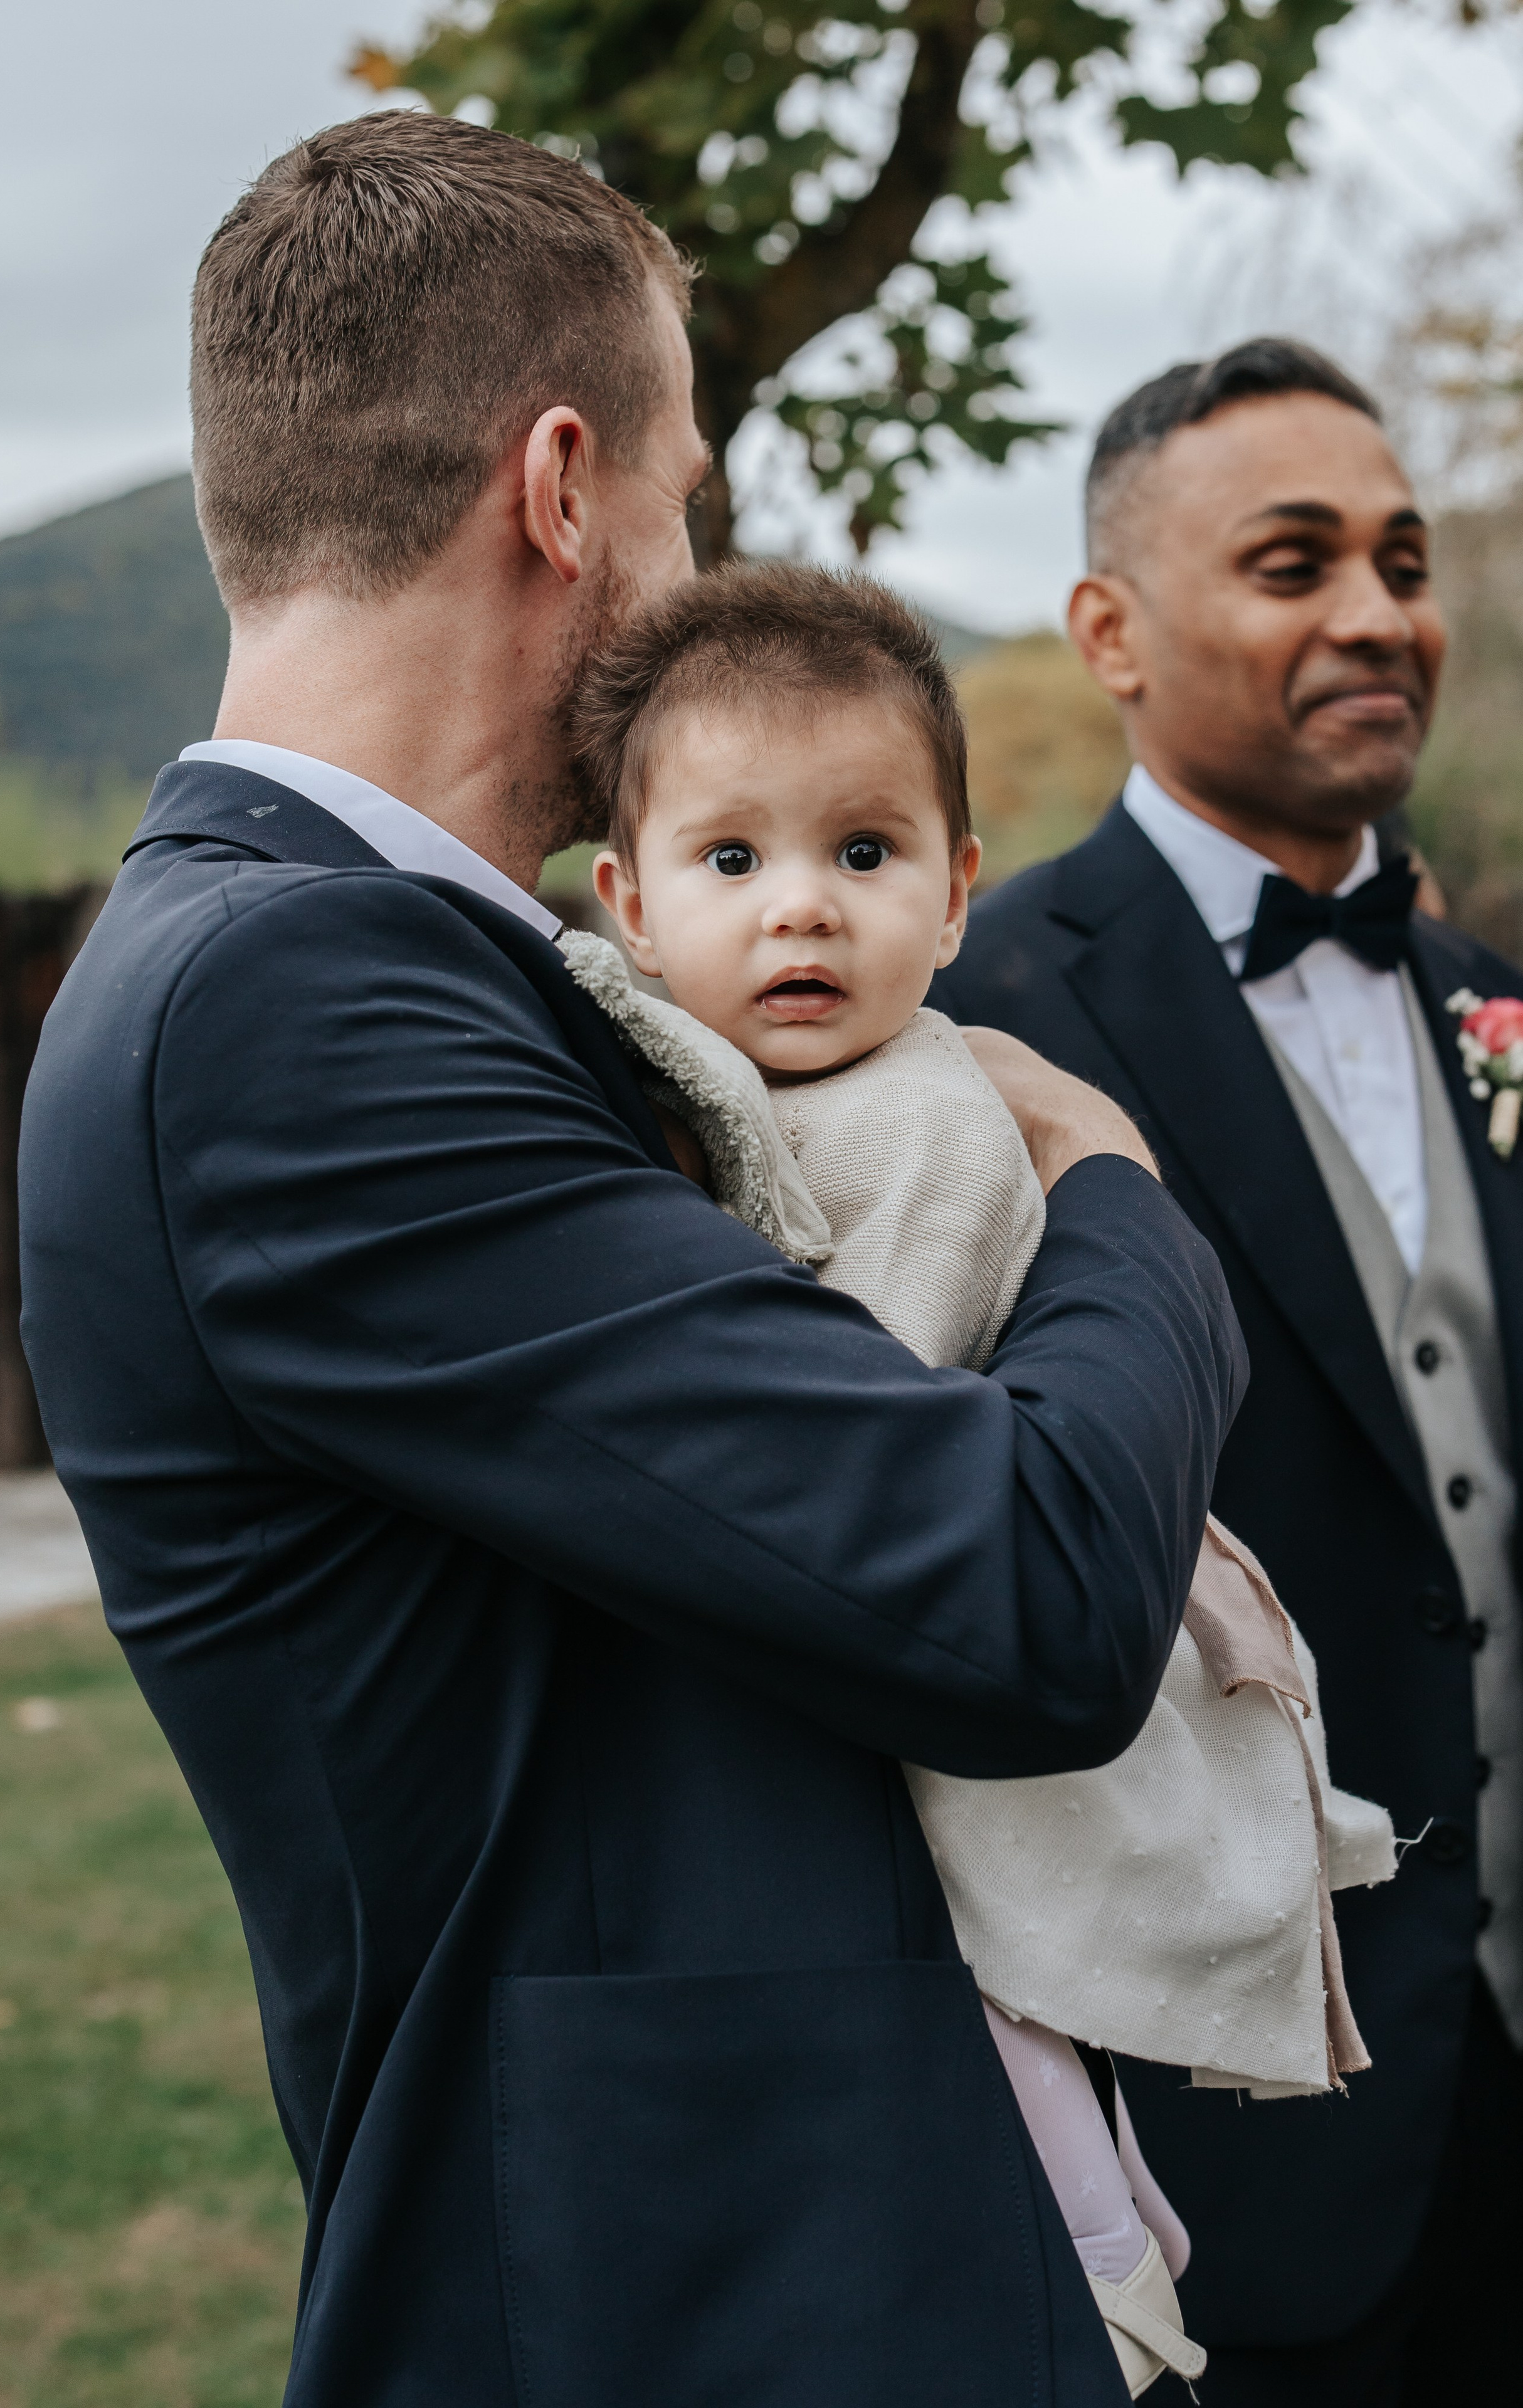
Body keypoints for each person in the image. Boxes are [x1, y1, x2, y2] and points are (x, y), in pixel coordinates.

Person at [16, 115, 1244, 2407]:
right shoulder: (296, 1008)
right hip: (672, 2308)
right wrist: (1117, 1191)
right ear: (565, 489)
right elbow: (1021, 1583)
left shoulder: (420, 977)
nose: (698, 570)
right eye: (689, 497)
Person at [566, 555, 1398, 2399]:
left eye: (864, 855)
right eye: (733, 863)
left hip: (983, 1632)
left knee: (1006, 1959)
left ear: (957, 894)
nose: (802, 912)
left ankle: (1105, 2249)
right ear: (625, 902)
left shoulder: (928, 1114)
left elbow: (881, 1429)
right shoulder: (714, 1093)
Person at [934, 337, 1523, 2405]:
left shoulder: (1489, 1000)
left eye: (1402, 559)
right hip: (1233, 2126)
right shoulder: (976, 1020)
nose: (1379, 614)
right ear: (1109, 628)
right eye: (1294, 563)